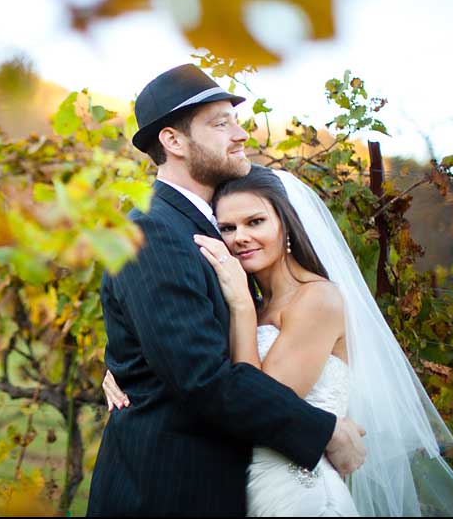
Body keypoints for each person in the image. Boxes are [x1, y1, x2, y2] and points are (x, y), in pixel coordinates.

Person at [85, 64, 367, 517]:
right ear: (173, 142)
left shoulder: (213, 232)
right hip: (169, 494)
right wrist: (325, 431)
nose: (240, 134)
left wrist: (126, 361)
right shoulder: (155, 232)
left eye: (236, 120)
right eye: (221, 123)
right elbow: (201, 379)